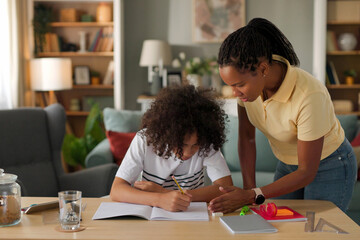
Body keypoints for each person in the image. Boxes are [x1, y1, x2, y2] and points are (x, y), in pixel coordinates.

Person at [208, 18, 357, 214]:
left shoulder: (309, 95)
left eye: (239, 85)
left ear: (262, 69)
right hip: (287, 164)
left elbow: (305, 172)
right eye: (230, 85)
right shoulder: (247, 91)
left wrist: (252, 195)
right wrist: (249, 189)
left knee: (317, 232)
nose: (234, 92)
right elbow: (247, 137)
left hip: (329, 164)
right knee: (279, 225)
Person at [110, 85, 233, 212]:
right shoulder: (145, 140)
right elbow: (117, 190)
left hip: (191, 217)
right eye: (182, 144)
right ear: (168, 135)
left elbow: (226, 187)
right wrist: (159, 199)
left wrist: (165, 192)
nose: (188, 152)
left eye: (196, 145)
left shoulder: (206, 143)